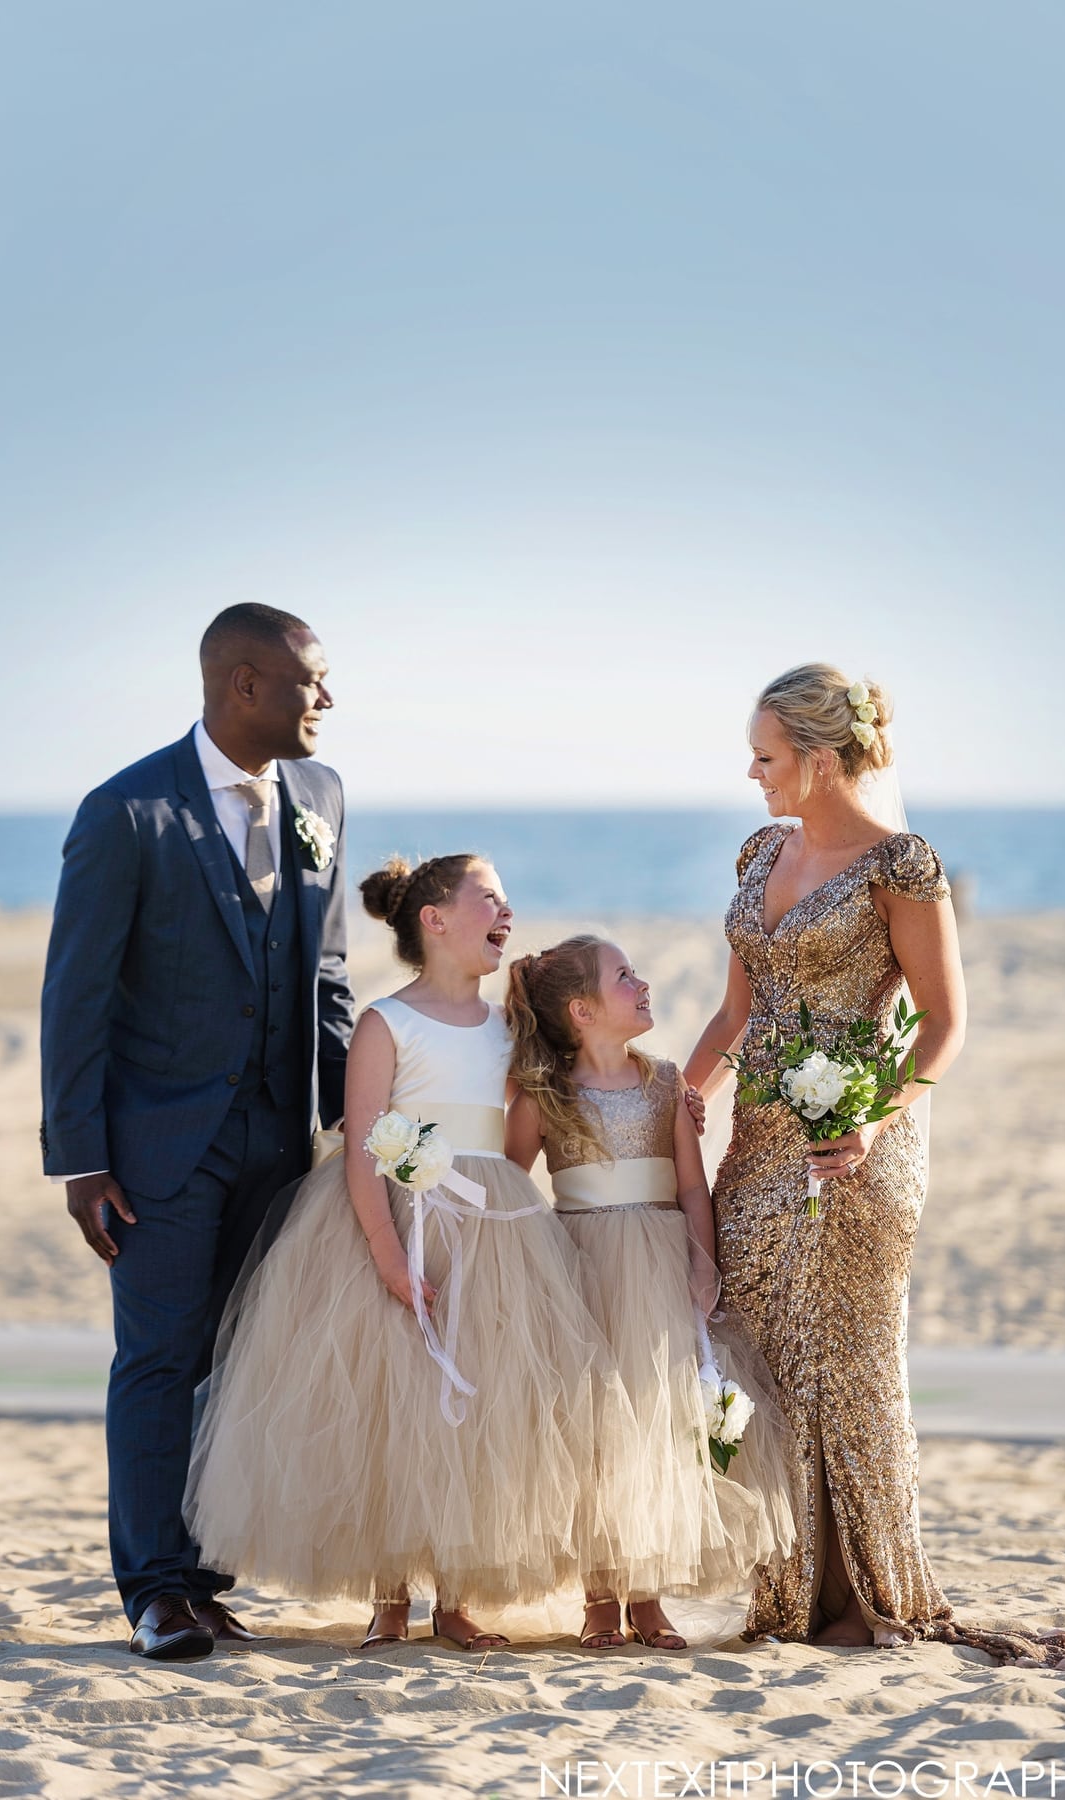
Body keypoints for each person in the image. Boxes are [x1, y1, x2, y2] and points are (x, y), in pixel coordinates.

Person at [683, 663, 1065, 1669]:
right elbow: (736, 1010)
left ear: (818, 756)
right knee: (759, 1345)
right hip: (756, 1138)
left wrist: (875, 1119)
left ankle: (863, 1594)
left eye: (763, 756)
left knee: (850, 1362)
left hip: (858, 1145)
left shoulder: (899, 867)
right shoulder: (758, 853)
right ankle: (784, 1588)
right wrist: (686, 1090)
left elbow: (944, 1024)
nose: (750, 773)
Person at [185, 854, 632, 1652]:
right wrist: (388, 1252)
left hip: (491, 1230)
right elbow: (361, 1146)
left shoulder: (508, 1027)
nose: (507, 911)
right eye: (489, 898)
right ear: (435, 919)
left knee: (480, 1408)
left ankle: (456, 1599)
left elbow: (533, 1122)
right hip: (390, 1223)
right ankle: (388, 1596)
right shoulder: (388, 1022)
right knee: (389, 1412)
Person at [40, 603, 353, 1661]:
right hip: (157, 1150)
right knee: (161, 1358)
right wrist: (79, 1159)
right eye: (313, 681)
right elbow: (74, 997)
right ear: (246, 685)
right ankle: (155, 1589)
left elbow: (328, 976)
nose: (329, 700)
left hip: (277, 1140)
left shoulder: (322, 796)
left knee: (239, 1361)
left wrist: (352, 1129)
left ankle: (209, 1576)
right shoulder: (125, 811)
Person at [505, 937, 800, 1651]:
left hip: (661, 1264)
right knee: (596, 1430)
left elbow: (692, 1186)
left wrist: (704, 1266)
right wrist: (525, 1274)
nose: (642, 984)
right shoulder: (543, 1094)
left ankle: (649, 1594)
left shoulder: (667, 1082)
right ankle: (599, 1597)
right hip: (581, 1266)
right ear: (583, 1011)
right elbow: (511, 1188)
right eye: (624, 977)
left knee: (659, 1423)